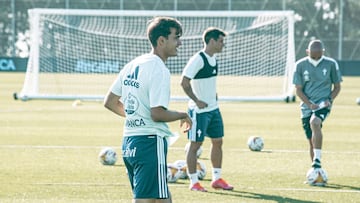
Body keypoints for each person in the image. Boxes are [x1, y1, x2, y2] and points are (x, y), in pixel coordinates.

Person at [104, 16, 192, 203]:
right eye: (176, 37)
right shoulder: (159, 69)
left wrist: (136, 117)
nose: (180, 42)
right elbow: (157, 113)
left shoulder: (132, 64)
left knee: (161, 196)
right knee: (146, 200)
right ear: (162, 41)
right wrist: (182, 114)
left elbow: (110, 102)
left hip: (129, 142)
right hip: (150, 143)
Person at [180, 27, 233, 192]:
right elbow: (184, 82)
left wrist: (214, 97)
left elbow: (208, 83)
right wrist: (196, 100)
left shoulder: (214, 59)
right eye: (221, 41)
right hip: (198, 111)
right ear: (211, 41)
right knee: (195, 145)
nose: (223, 44)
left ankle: (217, 179)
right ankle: (194, 182)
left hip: (214, 109)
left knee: (218, 141)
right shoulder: (198, 59)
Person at [293, 39, 342, 169]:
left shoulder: (331, 64)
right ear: (307, 51)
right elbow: (298, 89)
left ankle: (317, 160)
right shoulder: (300, 65)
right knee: (311, 142)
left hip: (323, 105)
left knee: (315, 122)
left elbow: (337, 87)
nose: (316, 58)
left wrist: (329, 100)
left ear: (323, 52)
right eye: (313, 55)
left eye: (319, 55)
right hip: (306, 107)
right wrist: (309, 104)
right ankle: (316, 171)